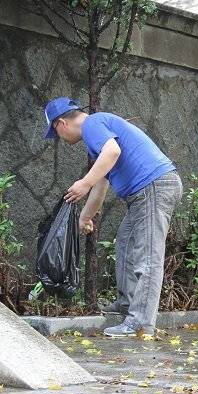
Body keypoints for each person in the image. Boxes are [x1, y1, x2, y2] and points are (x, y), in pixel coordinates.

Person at [42, 97, 182, 337]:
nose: (61, 141)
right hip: (146, 192)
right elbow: (101, 184)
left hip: (153, 188)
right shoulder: (96, 133)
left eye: (56, 135)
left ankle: (140, 323)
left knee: (147, 257)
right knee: (125, 245)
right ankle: (128, 305)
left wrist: (84, 182)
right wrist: (84, 217)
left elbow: (113, 152)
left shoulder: (93, 124)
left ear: (60, 124)